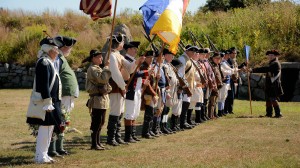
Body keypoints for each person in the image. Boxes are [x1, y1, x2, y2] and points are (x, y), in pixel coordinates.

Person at [27, 43, 62, 164]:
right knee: (45, 129)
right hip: (46, 101)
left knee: (49, 128)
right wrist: (48, 101)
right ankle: (39, 156)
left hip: (51, 101)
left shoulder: (48, 62)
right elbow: (44, 84)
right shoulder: (44, 62)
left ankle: (44, 154)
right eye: (56, 49)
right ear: (49, 50)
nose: (58, 52)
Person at [107, 33, 145, 146]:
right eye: (122, 42)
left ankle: (117, 137)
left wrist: (137, 62)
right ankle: (111, 138)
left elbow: (130, 68)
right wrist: (123, 87)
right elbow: (115, 73)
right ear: (118, 43)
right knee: (115, 112)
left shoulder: (118, 55)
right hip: (115, 86)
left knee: (120, 112)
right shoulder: (112, 55)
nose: (123, 44)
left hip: (121, 87)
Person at [47, 36, 78, 157]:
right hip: (62, 93)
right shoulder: (58, 58)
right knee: (60, 119)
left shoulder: (61, 58)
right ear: (63, 47)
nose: (70, 49)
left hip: (66, 94)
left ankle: (59, 147)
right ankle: (53, 148)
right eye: (69, 47)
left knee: (64, 119)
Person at [84, 50, 111, 150]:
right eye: (99, 57)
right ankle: (94, 144)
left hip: (102, 98)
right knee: (96, 122)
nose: (101, 59)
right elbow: (102, 79)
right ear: (93, 58)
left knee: (101, 122)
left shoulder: (98, 68)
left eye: (101, 57)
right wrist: (107, 67)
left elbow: (106, 83)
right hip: (97, 99)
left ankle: (98, 142)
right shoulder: (92, 68)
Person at [123, 41, 149, 143]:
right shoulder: (126, 60)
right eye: (134, 49)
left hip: (137, 89)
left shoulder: (133, 60)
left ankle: (132, 134)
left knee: (134, 113)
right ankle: (127, 136)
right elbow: (132, 74)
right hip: (131, 90)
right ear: (129, 49)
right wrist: (146, 72)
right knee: (129, 112)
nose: (135, 51)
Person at [252, 50, 284, 118]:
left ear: (275, 56)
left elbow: (266, 69)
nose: (270, 56)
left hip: (273, 84)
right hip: (270, 84)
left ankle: (278, 114)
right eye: (269, 55)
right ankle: (269, 113)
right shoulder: (272, 63)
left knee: (273, 99)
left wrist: (253, 70)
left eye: (272, 55)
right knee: (268, 99)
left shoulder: (275, 63)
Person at [178, 45, 196, 130]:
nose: (193, 53)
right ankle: (182, 123)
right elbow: (181, 74)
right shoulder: (183, 58)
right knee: (184, 105)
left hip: (189, 86)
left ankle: (184, 122)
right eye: (192, 51)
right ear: (188, 51)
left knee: (186, 104)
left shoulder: (189, 59)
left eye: (194, 52)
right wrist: (185, 86)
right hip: (184, 86)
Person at [141, 50, 158, 139]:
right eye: (149, 58)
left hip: (151, 92)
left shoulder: (150, 67)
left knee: (151, 113)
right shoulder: (144, 67)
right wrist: (154, 94)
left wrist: (156, 77)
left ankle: (149, 130)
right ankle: (145, 132)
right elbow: (147, 84)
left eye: (152, 58)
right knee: (148, 113)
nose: (151, 59)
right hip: (147, 93)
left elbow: (152, 81)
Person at [208, 52, 223, 119]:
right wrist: (214, 85)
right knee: (212, 102)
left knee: (215, 101)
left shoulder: (217, 65)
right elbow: (212, 77)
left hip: (218, 86)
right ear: (213, 58)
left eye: (219, 58)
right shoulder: (212, 66)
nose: (218, 60)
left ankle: (214, 114)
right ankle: (210, 115)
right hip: (214, 86)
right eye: (216, 58)